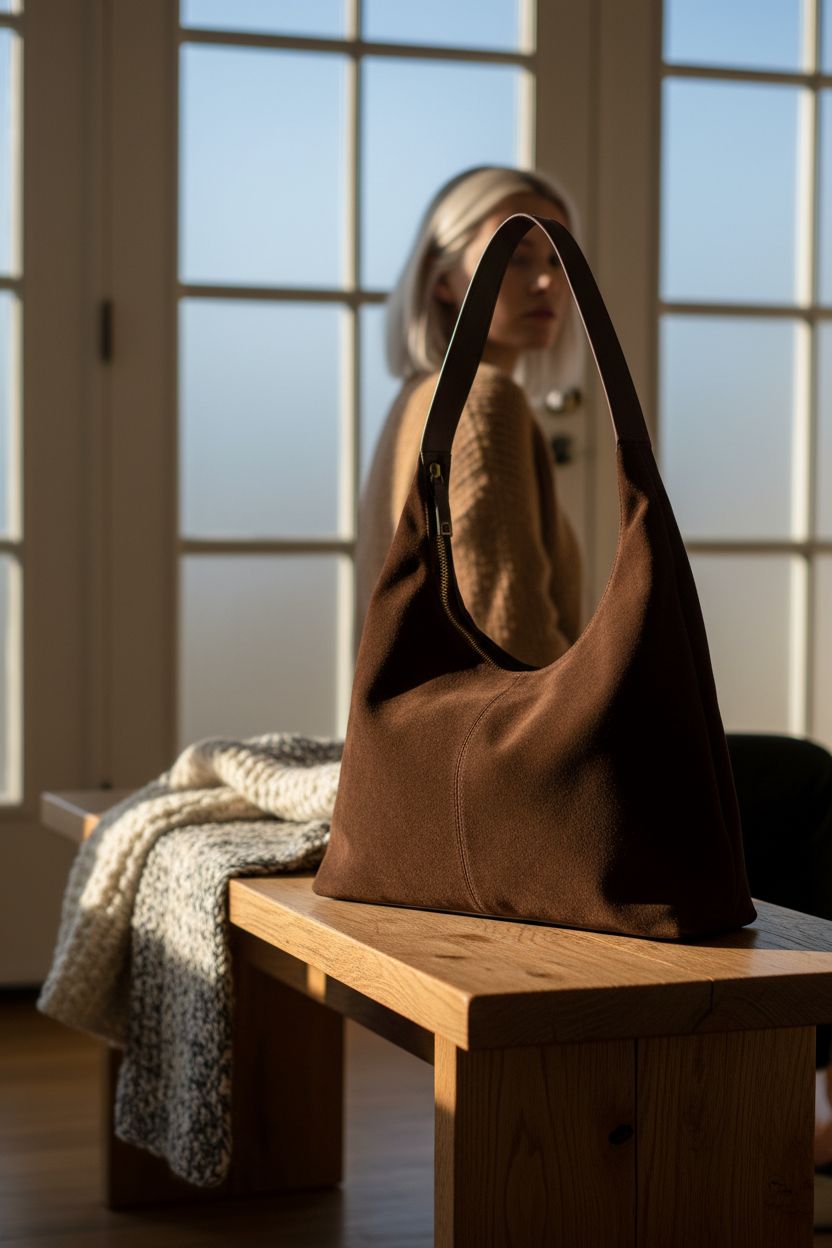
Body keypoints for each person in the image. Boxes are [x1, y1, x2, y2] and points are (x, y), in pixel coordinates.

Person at [355, 163, 832, 1166]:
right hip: (514, 785)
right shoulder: (484, 403)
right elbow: (513, 648)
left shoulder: (417, 404)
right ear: (444, 279)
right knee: (799, 781)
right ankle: (797, 1104)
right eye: (513, 256)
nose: (542, 283)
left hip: (419, 777)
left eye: (552, 261)